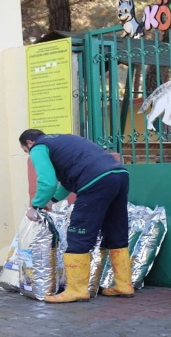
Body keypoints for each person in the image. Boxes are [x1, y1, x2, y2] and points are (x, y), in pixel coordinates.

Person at [19, 129, 134, 303]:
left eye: (26, 151)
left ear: (28, 143)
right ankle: (124, 285)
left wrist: (35, 206)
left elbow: (47, 180)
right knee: (115, 229)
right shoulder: (65, 141)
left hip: (96, 180)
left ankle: (76, 290)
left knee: (79, 232)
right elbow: (68, 181)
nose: (30, 154)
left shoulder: (39, 146)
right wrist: (52, 200)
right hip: (119, 175)